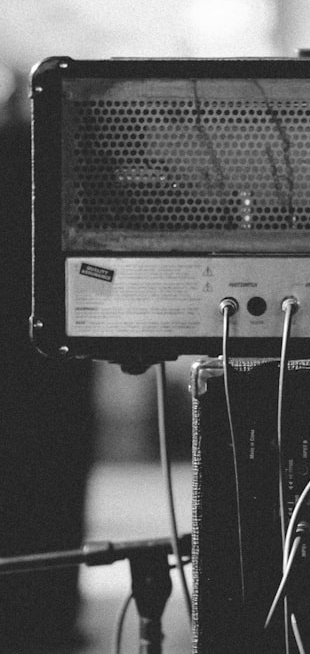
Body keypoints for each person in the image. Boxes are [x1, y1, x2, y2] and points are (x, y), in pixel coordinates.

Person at [0, 67, 94, 649]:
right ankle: (50, 611)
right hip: (48, 356)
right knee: (49, 487)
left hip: (36, 356)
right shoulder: (47, 147)